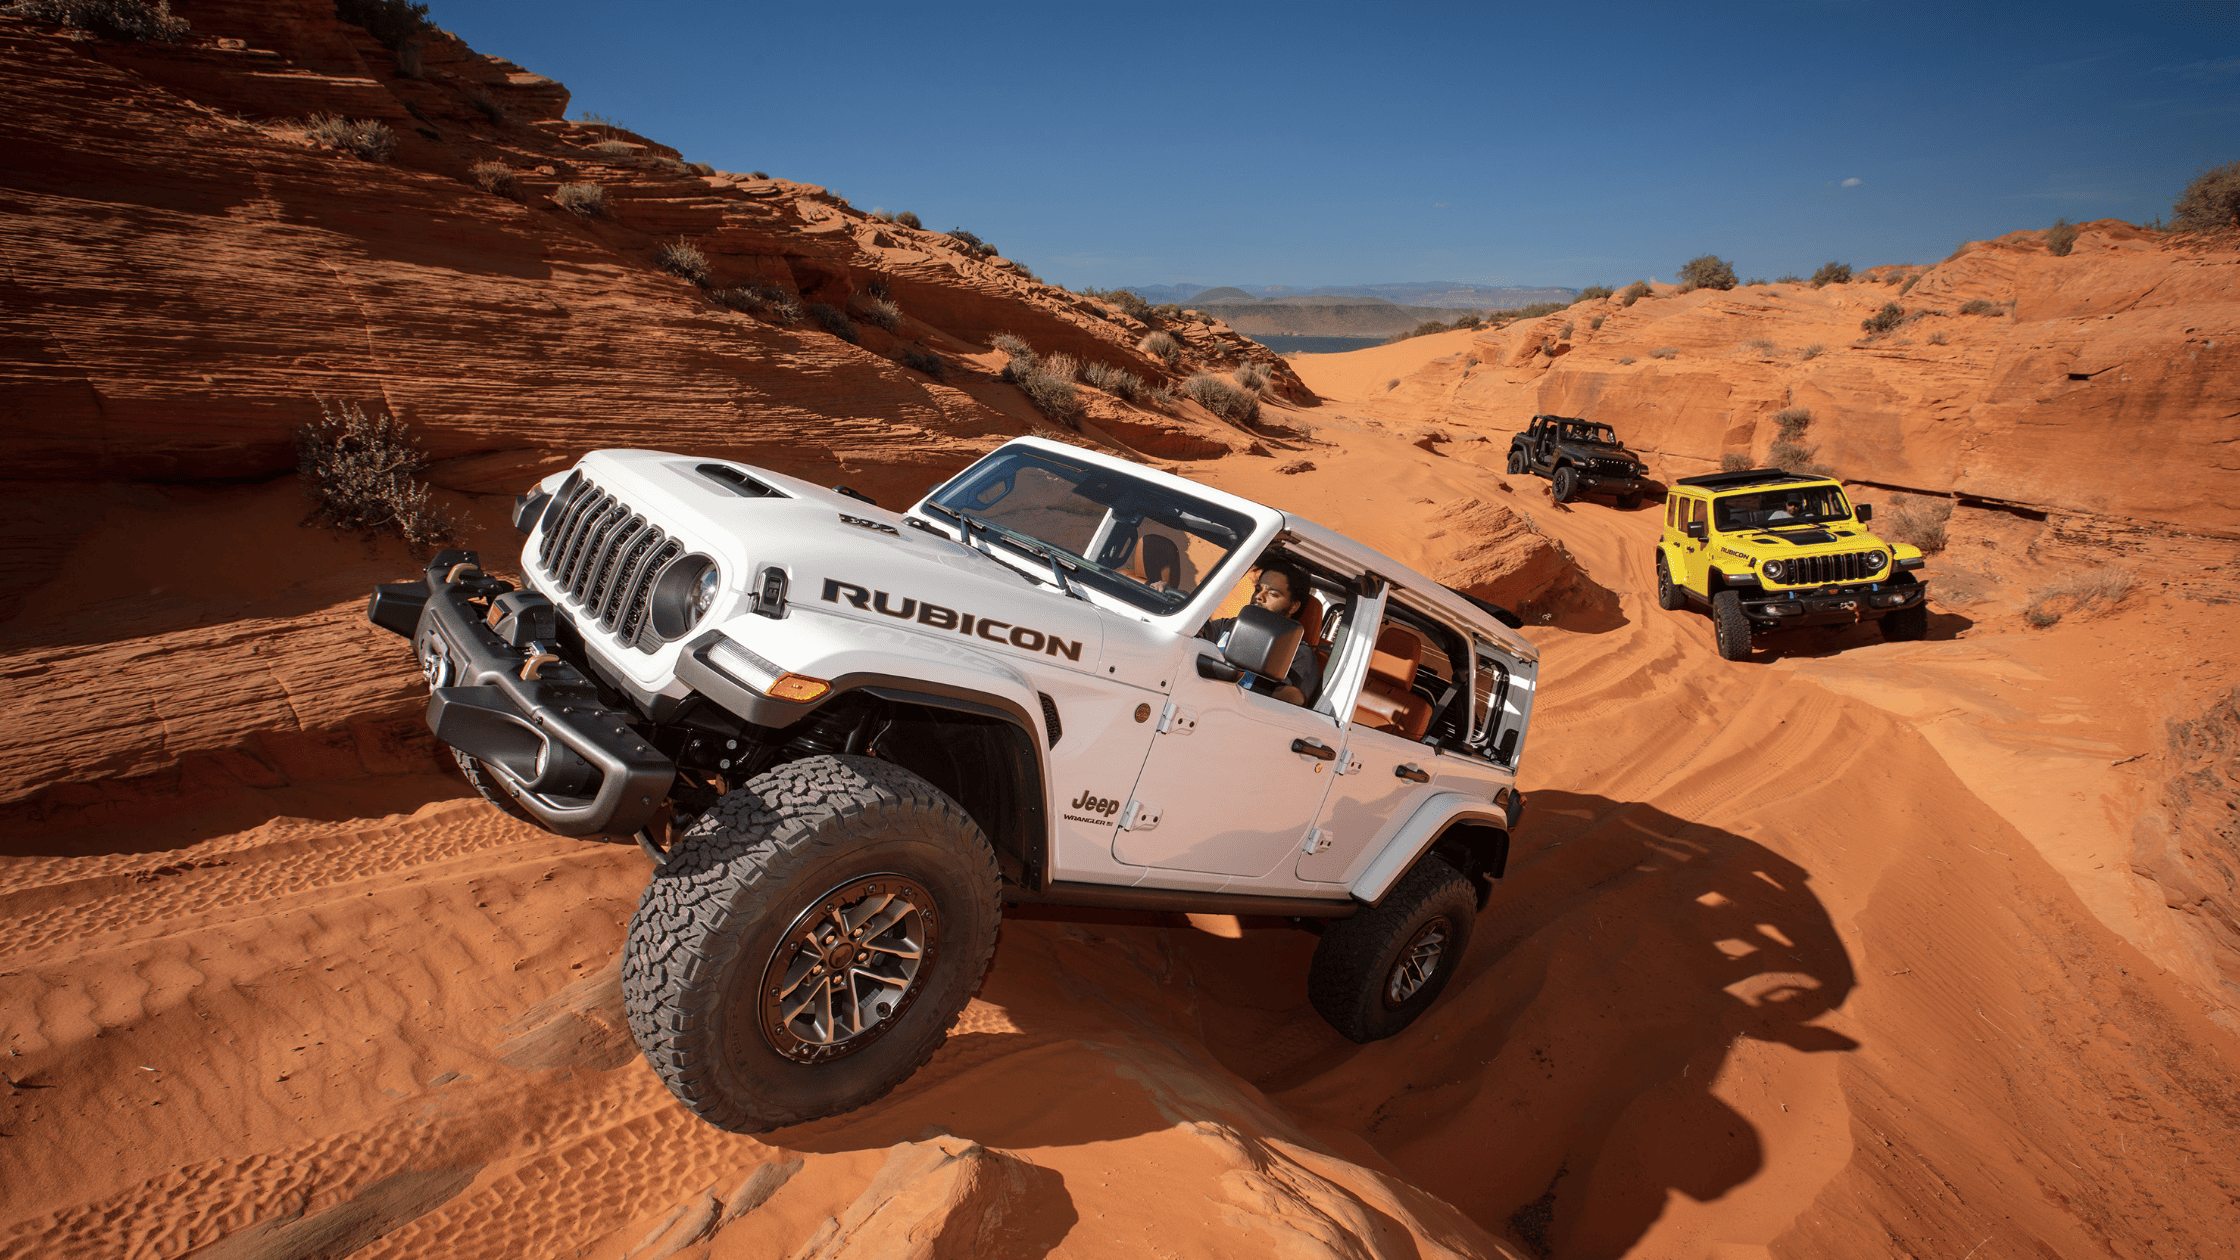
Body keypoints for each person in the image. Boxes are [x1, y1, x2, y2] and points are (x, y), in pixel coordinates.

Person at [1199, 558, 1322, 706]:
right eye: (1258, 589)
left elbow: (1288, 703)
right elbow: (1191, 645)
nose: (1259, 596)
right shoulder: (1227, 625)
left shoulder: (1300, 654)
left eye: (1272, 594)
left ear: (1293, 606)